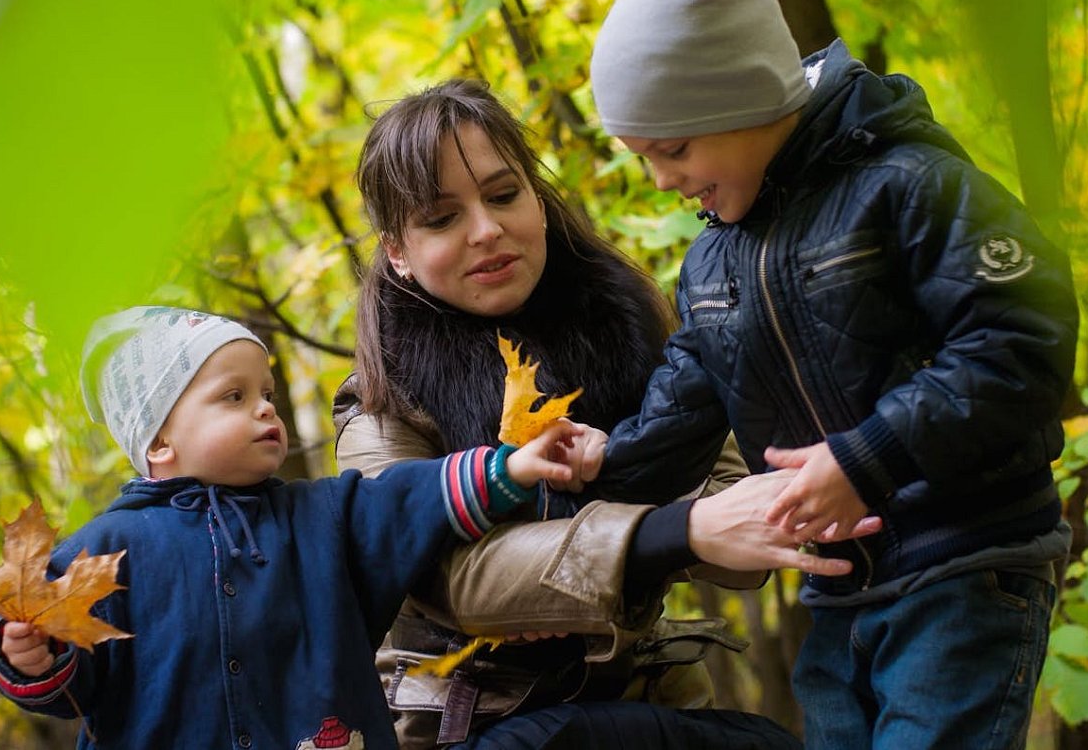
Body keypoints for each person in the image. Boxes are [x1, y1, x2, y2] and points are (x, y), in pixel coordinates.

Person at [586, 0, 1080, 748]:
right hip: (839, 589)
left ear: (745, 98)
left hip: (962, 566)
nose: (662, 180)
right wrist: (600, 463)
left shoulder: (907, 183)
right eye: (644, 156)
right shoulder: (713, 264)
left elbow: (1021, 343)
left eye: (673, 149)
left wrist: (867, 459)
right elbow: (684, 401)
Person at [338, 78, 879, 749]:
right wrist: (676, 533)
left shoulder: (631, 324)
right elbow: (459, 582)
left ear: (536, 198)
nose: (487, 230)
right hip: (467, 720)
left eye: (505, 195)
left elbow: (741, 528)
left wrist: (628, 470)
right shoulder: (380, 400)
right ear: (398, 251)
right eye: (442, 218)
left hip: (643, 693)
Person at [0, 305, 583, 750]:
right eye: (234, 396)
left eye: (266, 392)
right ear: (159, 440)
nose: (266, 407)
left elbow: (411, 499)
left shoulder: (322, 516)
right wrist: (32, 657)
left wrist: (511, 467)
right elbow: (64, 681)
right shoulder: (104, 553)